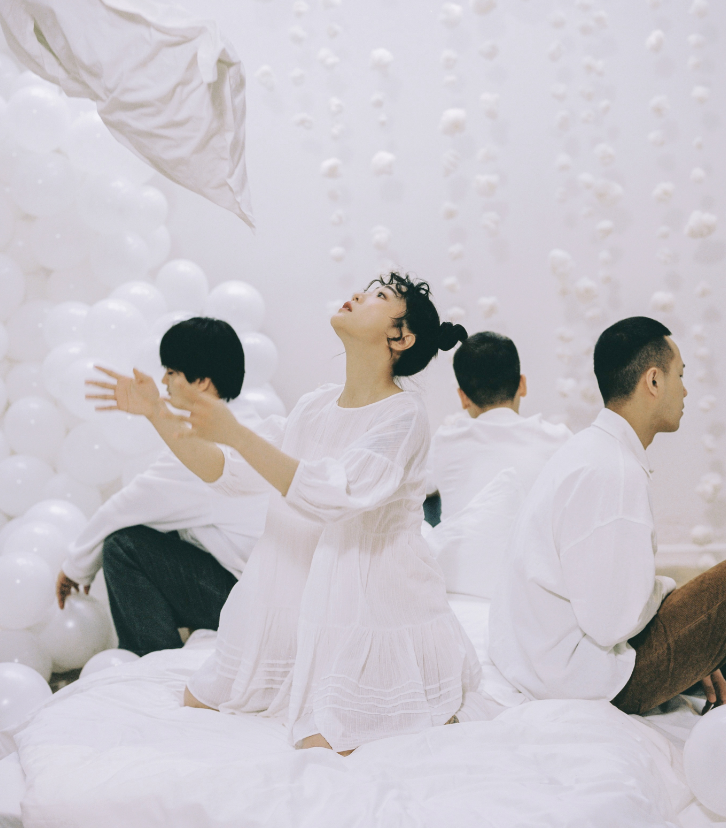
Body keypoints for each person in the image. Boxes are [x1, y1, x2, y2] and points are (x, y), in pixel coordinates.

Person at [88, 272, 486, 755]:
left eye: (379, 296)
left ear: (400, 338)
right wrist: (157, 413)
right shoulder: (315, 406)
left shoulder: (403, 416)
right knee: (202, 699)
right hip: (297, 593)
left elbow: (333, 496)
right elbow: (226, 473)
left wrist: (236, 433)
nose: (358, 294)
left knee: (327, 740)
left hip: (372, 603)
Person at [488, 316, 726, 715]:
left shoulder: (590, 449)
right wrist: (671, 596)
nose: (685, 390)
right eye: (680, 376)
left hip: (540, 664)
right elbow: (613, 621)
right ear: (654, 380)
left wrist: (693, 636)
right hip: (585, 680)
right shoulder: (615, 471)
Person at [60, 317, 270, 656]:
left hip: (246, 602)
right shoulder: (252, 423)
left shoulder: (204, 448)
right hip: (262, 593)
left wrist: (74, 567)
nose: (163, 381)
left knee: (123, 545)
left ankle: (151, 660)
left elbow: (126, 507)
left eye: (171, 372)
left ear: (201, 382)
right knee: (168, 530)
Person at [427, 331, 570, 523]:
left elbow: (415, 488)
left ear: (463, 397)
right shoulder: (561, 441)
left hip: (464, 543)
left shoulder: (444, 443)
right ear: (522, 385)